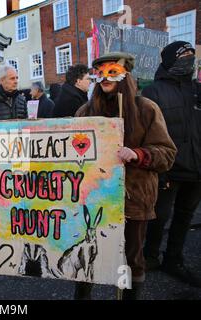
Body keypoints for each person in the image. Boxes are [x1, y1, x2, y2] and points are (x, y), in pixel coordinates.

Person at [74, 52, 177, 300]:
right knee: (87, 253)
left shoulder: (146, 109)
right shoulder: (85, 112)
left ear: (126, 74)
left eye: (112, 70)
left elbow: (167, 153)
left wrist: (139, 154)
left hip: (133, 198)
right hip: (94, 198)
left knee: (130, 257)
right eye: (99, 72)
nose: (105, 77)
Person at [142, 41, 201, 287]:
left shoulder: (197, 90)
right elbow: (146, 134)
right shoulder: (153, 92)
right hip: (168, 170)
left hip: (196, 169)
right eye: (183, 55)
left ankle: (174, 259)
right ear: (169, 60)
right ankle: (149, 257)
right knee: (159, 217)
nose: (189, 59)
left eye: (191, 55)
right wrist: (158, 169)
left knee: (185, 217)